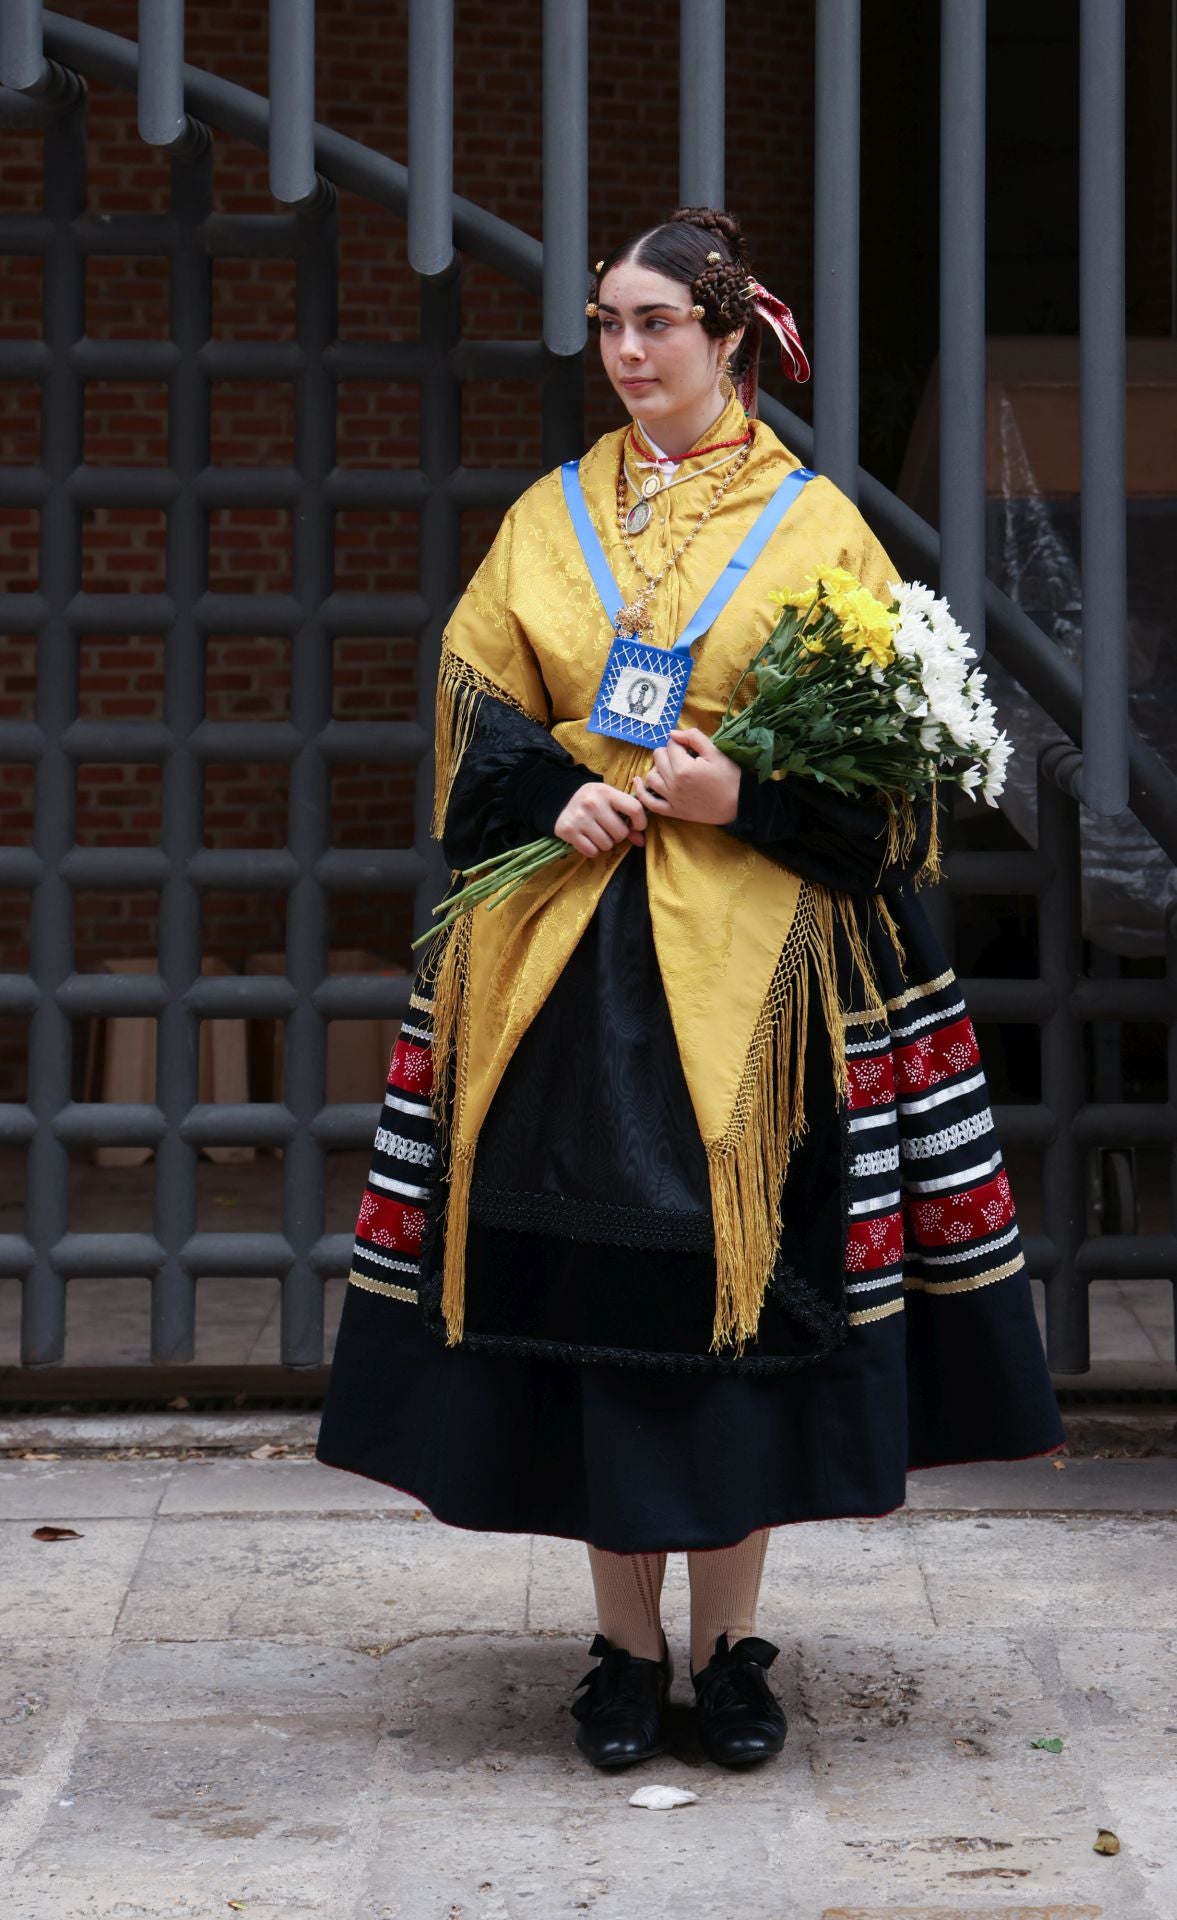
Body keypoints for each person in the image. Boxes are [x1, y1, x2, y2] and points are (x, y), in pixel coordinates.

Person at [315, 207, 1065, 1771]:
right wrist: (551, 799)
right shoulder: (545, 516)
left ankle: (728, 1649)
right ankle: (615, 1648)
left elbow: (894, 792)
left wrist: (748, 803)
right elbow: (481, 715)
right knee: (592, 1317)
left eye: (656, 323)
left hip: (761, 990)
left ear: (731, 340)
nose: (627, 352)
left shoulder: (814, 529)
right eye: (607, 323)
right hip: (571, 984)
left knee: (748, 1323)